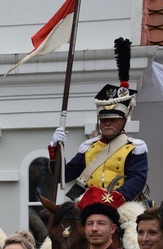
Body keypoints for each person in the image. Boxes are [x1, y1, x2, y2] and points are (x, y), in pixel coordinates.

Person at [50, 38, 147, 203]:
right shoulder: (88, 148)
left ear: (124, 120)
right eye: (104, 119)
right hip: (89, 202)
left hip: (121, 203)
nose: (107, 123)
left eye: (114, 119)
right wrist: (55, 150)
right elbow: (62, 177)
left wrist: (112, 200)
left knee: (132, 228)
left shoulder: (135, 148)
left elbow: (137, 179)